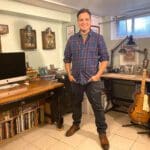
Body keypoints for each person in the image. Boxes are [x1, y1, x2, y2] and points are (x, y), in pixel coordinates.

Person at [63, 8, 109, 150]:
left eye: (86, 19)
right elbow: (67, 59)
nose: (84, 22)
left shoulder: (98, 38)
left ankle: (102, 132)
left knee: (98, 107)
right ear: (78, 22)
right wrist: (69, 74)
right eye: (81, 20)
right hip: (76, 79)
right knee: (76, 103)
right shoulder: (71, 40)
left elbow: (105, 59)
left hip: (92, 80)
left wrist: (98, 74)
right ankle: (76, 124)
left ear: (90, 21)